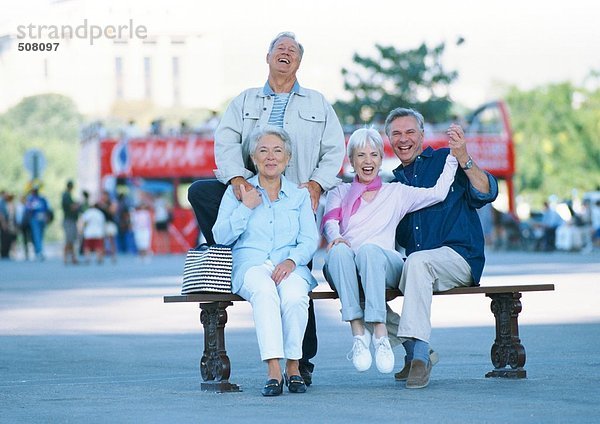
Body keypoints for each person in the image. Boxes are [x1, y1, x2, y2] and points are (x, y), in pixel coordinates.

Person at [187, 31, 345, 385]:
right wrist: (237, 184)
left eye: (292, 51)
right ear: (268, 57)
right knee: (200, 191)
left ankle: (300, 362)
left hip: (295, 198)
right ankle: (228, 252)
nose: (285, 54)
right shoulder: (244, 101)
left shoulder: (317, 103)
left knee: (296, 279)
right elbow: (226, 141)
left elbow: (335, 150)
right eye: (280, 49)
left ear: (299, 62)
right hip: (252, 190)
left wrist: (316, 185)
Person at [321, 128, 458, 375]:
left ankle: (380, 335)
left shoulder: (396, 192)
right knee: (341, 253)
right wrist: (337, 238)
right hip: (346, 266)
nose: (368, 161)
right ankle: (358, 335)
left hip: (384, 263)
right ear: (351, 160)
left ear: (380, 160)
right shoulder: (338, 192)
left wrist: (453, 158)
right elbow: (329, 224)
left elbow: (438, 193)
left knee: (369, 252)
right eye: (361, 155)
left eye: (373, 154)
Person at [383, 108, 498, 389]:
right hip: (416, 265)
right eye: (396, 133)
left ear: (422, 135)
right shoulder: (392, 184)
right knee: (358, 278)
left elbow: (487, 191)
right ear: (389, 139)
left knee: (418, 261)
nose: (403, 139)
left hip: (458, 258)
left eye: (410, 132)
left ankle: (420, 359)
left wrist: (463, 158)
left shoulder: (446, 161)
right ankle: (414, 351)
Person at [213, 126, 319, 396]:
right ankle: (273, 369)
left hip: (288, 264)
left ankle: (293, 366)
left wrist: (293, 261)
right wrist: (245, 207)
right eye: (263, 151)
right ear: (254, 158)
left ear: (287, 158)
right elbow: (220, 236)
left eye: (277, 151)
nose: (271, 157)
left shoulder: (299, 195)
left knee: (296, 295)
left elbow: (309, 239)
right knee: (264, 291)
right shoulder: (238, 192)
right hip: (251, 265)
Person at [25, 183, 52, 261]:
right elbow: (28, 209)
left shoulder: (42, 198)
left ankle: (39, 251)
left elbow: (47, 208)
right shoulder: (30, 199)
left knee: (41, 235)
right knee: (37, 235)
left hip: (42, 219)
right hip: (34, 219)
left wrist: (46, 217)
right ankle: (39, 252)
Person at [61, 180, 81, 265]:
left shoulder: (68, 195)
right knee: (69, 239)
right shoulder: (66, 195)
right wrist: (77, 205)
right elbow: (71, 207)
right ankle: (65, 257)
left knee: (72, 240)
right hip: (69, 220)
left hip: (71, 220)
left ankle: (73, 258)